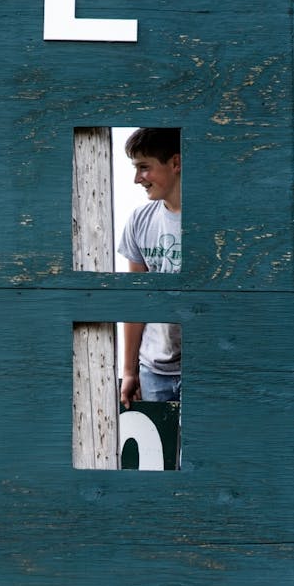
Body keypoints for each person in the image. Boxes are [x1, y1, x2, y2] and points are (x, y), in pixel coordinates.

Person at [118, 127, 182, 407]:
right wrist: (130, 370)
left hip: (207, 368)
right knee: (160, 452)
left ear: (176, 163)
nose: (137, 179)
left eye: (144, 168)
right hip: (153, 370)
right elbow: (135, 301)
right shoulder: (140, 221)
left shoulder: (212, 221)